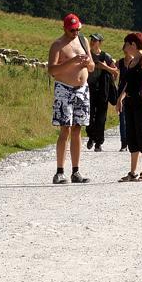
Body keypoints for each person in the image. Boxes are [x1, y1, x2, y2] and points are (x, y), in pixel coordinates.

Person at [48, 12, 95, 184]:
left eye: (77, 29)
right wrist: (72, 61)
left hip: (82, 90)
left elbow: (92, 67)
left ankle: (76, 171)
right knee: (65, 129)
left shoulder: (83, 41)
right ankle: (60, 171)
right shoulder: (57, 45)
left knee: (77, 129)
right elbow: (52, 70)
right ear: (64, 29)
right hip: (64, 89)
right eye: (72, 30)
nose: (75, 33)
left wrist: (88, 63)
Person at [115, 32, 142, 181]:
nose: (124, 47)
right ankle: (133, 172)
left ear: (133, 44)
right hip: (130, 103)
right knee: (131, 135)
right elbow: (128, 84)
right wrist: (120, 98)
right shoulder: (132, 61)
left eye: (126, 44)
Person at [86, 33, 117, 152]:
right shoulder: (87, 54)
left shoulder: (106, 56)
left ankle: (98, 143)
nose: (92, 42)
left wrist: (105, 67)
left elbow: (115, 72)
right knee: (89, 115)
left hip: (103, 90)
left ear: (100, 43)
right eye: (91, 40)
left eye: (95, 40)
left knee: (101, 118)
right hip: (89, 89)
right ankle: (91, 136)